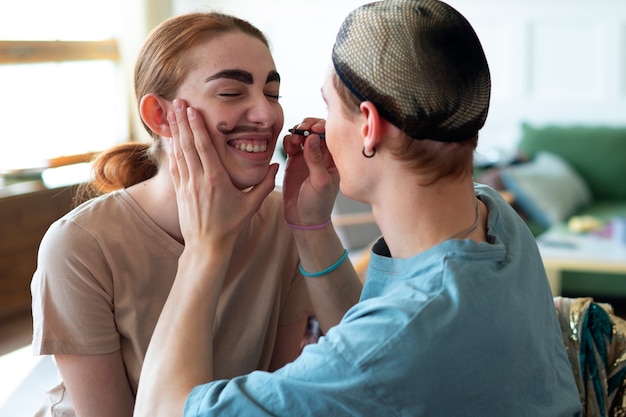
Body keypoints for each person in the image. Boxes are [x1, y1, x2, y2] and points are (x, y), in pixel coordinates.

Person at [134, 0, 583, 416]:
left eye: (330, 106)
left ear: (369, 125)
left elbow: (160, 410)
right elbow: (372, 340)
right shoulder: (498, 223)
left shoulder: (393, 344)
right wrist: (310, 227)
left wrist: (203, 248)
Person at [30, 12, 360, 417]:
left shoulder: (280, 219)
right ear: (159, 116)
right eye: (231, 93)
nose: (267, 115)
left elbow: (286, 392)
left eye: (271, 93)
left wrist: (312, 227)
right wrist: (208, 247)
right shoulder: (79, 245)